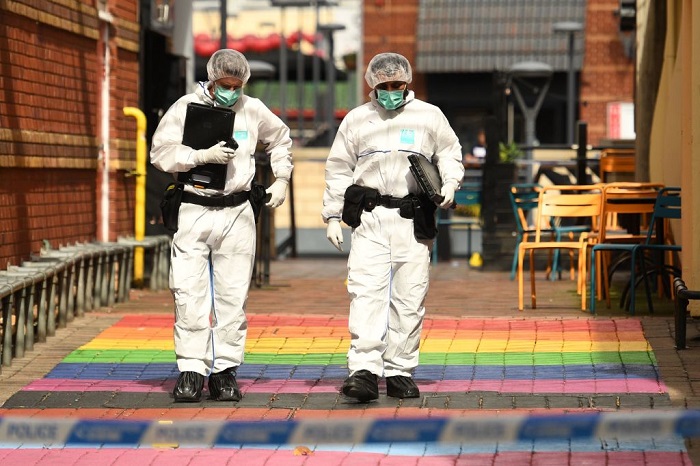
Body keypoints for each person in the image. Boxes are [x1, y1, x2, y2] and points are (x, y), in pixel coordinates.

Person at [150, 49, 293, 403]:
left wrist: (282, 178)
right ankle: (191, 369)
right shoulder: (185, 108)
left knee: (232, 295)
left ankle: (224, 370)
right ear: (211, 81)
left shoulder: (252, 109)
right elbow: (160, 152)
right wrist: (199, 156)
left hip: (237, 211)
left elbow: (280, 138)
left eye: (236, 85)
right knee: (188, 292)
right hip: (194, 207)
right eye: (224, 85)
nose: (231, 91)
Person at [322, 52, 464, 402]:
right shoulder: (357, 119)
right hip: (370, 217)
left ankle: (400, 370)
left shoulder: (429, 116)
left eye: (396, 84)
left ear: (407, 82)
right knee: (366, 293)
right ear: (372, 84)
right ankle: (364, 370)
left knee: (409, 295)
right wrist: (332, 215)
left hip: (411, 218)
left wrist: (450, 182)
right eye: (383, 86)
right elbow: (338, 167)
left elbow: (449, 152)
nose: (390, 91)